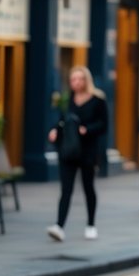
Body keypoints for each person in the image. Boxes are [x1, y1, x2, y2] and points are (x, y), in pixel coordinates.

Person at [47, 66, 109, 241]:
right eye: (73, 79)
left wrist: (86, 129)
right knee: (66, 189)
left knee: (88, 187)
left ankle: (91, 224)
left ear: (86, 80)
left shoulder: (98, 100)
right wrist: (54, 131)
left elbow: (104, 125)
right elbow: (61, 121)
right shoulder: (68, 100)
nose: (76, 82)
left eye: (80, 79)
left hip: (87, 150)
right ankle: (59, 226)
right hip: (68, 150)